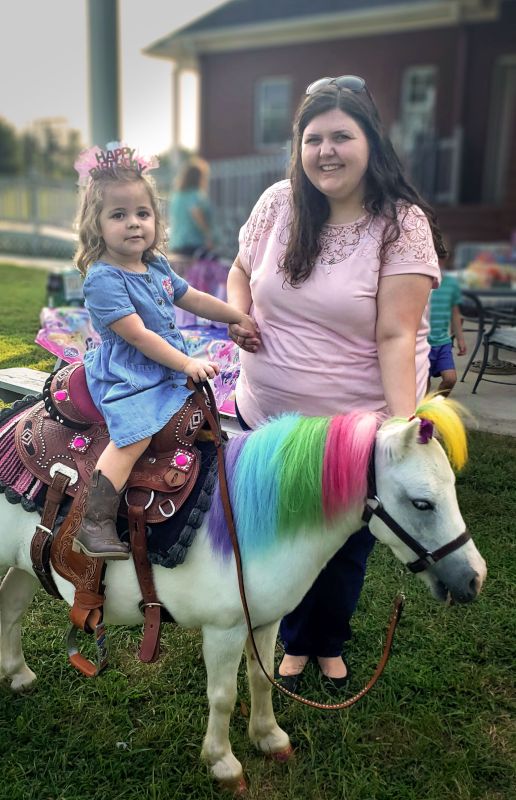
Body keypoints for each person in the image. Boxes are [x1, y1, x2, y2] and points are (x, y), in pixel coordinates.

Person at [226, 75, 444, 692]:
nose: (326, 150)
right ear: (298, 147)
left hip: (354, 426)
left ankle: (326, 640)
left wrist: (403, 431)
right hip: (265, 415)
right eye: (313, 138)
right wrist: (240, 314)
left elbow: (397, 336)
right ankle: (292, 636)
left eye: (341, 136)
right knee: (279, 533)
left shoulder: (402, 224)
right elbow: (242, 269)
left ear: (370, 139)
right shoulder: (277, 204)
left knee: (344, 548)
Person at [72, 144, 258, 560]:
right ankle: (94, 520)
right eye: (118, 216)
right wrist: (187, 362)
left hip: (166, 366)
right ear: (96, 224)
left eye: (142, 213)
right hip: (130, 373)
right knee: (134, 435)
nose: (133, 224)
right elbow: (137, 336)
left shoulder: (155, 267)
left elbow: (192, 298)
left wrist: (235, 316)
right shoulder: (103, 278)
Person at [428, 259, 467, 395]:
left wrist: (460, 339)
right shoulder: (420, 283)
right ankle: (422, 412)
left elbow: (455, 314)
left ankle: (434, 406)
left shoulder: (451, 284)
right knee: (423, 386)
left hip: (443, 342)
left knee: (450, 379)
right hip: (422, 344)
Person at [169, 157, 214, 258]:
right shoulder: (196, 195)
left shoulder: (177, 196)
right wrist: (208, 235)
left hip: (176, 244)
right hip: (193, 245)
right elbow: (196, 213)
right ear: (199, 177)